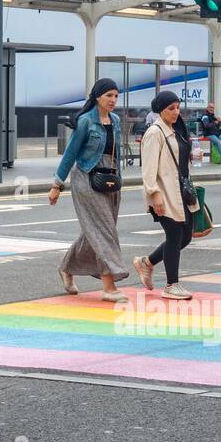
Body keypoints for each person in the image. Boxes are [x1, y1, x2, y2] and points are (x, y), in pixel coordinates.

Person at [49, 78, 130, 301]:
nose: (113, 100)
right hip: (86, 178)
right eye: (109, 96)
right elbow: (70, 154)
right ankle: (109, 287)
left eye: (116, 96)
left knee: (95, 230)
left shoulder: (114, 120)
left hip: (110, 180)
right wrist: (57, 185)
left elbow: (117, 154)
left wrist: (119, 180)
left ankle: (66, 267)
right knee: (105, 231)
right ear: (97, 97)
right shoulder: (86, 121)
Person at [134, 90, 199, 300]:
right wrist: (154, 194)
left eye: (178, 107)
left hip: (181, 193)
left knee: (186, 236)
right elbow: (149, 168)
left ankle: (147, 262)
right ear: (161, 110)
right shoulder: (155, 132)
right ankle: (172, 285)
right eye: (171, 108)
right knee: (174, 236)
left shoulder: (175, 130)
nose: (176, 111)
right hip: (164, 193)